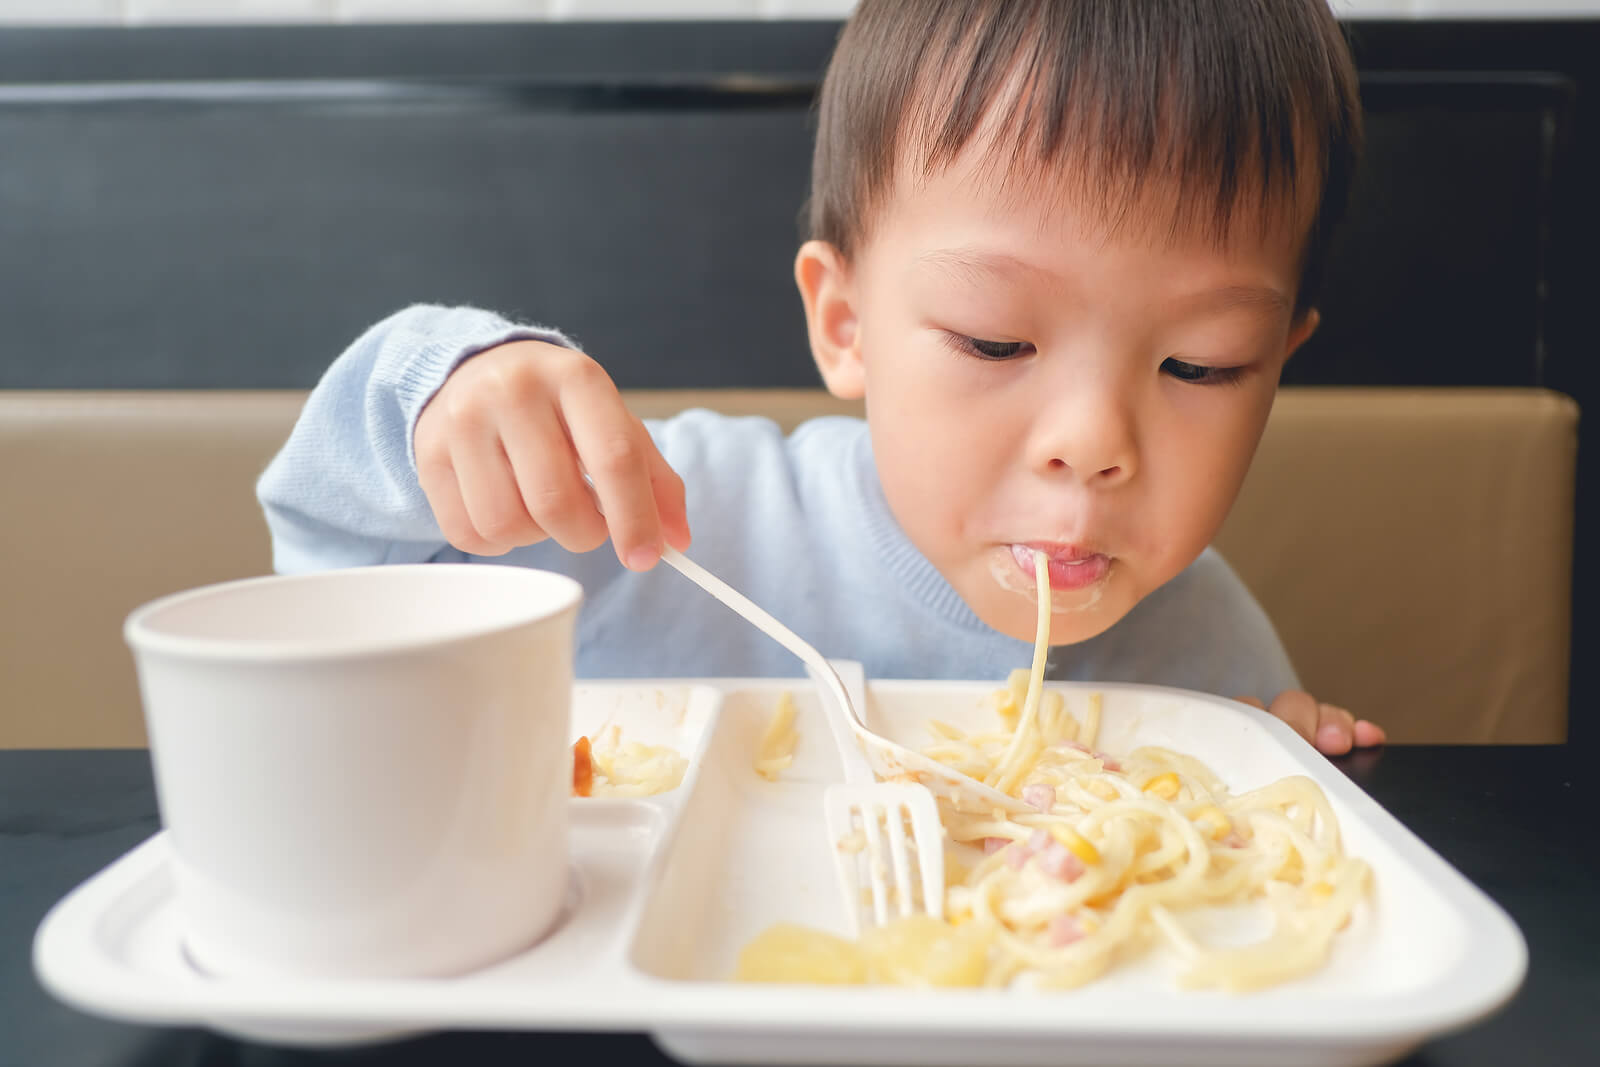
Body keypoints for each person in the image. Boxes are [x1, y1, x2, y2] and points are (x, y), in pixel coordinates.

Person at [258, 0, 1385, 756]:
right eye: (995, 339)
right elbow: (334, 584)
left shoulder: (1207, 651)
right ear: (844, 323)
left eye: (1203, 364)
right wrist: (441, 393)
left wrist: (1296, 772)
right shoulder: (664, 518)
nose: (1091, 441)